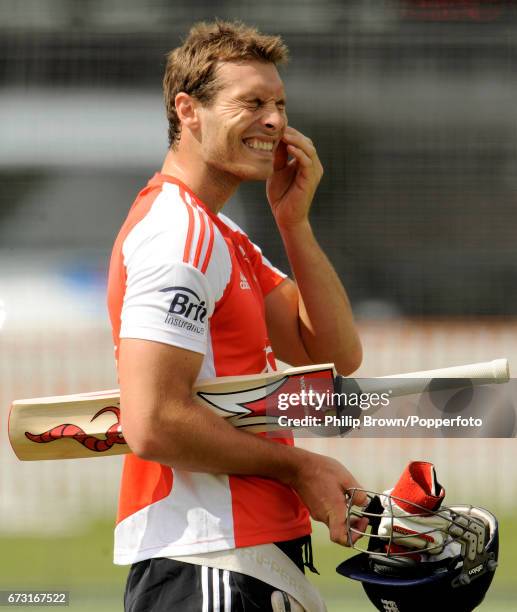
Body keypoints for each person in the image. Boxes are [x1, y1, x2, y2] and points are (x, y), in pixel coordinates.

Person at [107, 19, 367, 612]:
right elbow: (152, 420)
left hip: (237, 556)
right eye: (251, 103)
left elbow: (332, 352)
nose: (275, 121)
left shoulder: (220, 232)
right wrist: (299, 468)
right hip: (207, 558)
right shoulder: (178, 232)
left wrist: (293, 221)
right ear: (188, 110)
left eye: (278, 103)